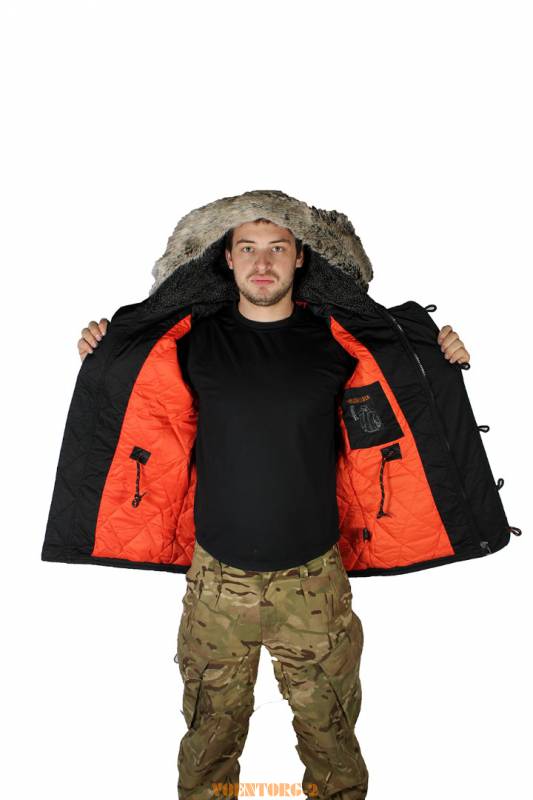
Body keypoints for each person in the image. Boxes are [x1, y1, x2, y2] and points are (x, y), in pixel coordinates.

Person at [76, 217, 470, 800]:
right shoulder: (189, 341)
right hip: (216, 585)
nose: (263, 264)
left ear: (301, 257)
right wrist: (105, 347)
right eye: (248, 249)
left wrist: (438, 357)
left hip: (315, 583)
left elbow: (398, 398)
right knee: (208, 750)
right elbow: (139, 396)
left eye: (277, 248)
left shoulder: (337, 341)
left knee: (334, 748)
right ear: (227, 259)